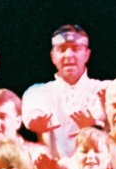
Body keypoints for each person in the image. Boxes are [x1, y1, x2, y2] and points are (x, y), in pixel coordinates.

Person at [22, 24, 108, 159]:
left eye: (75, 48)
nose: (68, 55)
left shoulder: (104, 89)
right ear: (53, 57)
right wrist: (36, 120)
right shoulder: (38, 92)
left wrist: (94, 125)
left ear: (87, 54)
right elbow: (32, 112)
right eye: (61, 49)